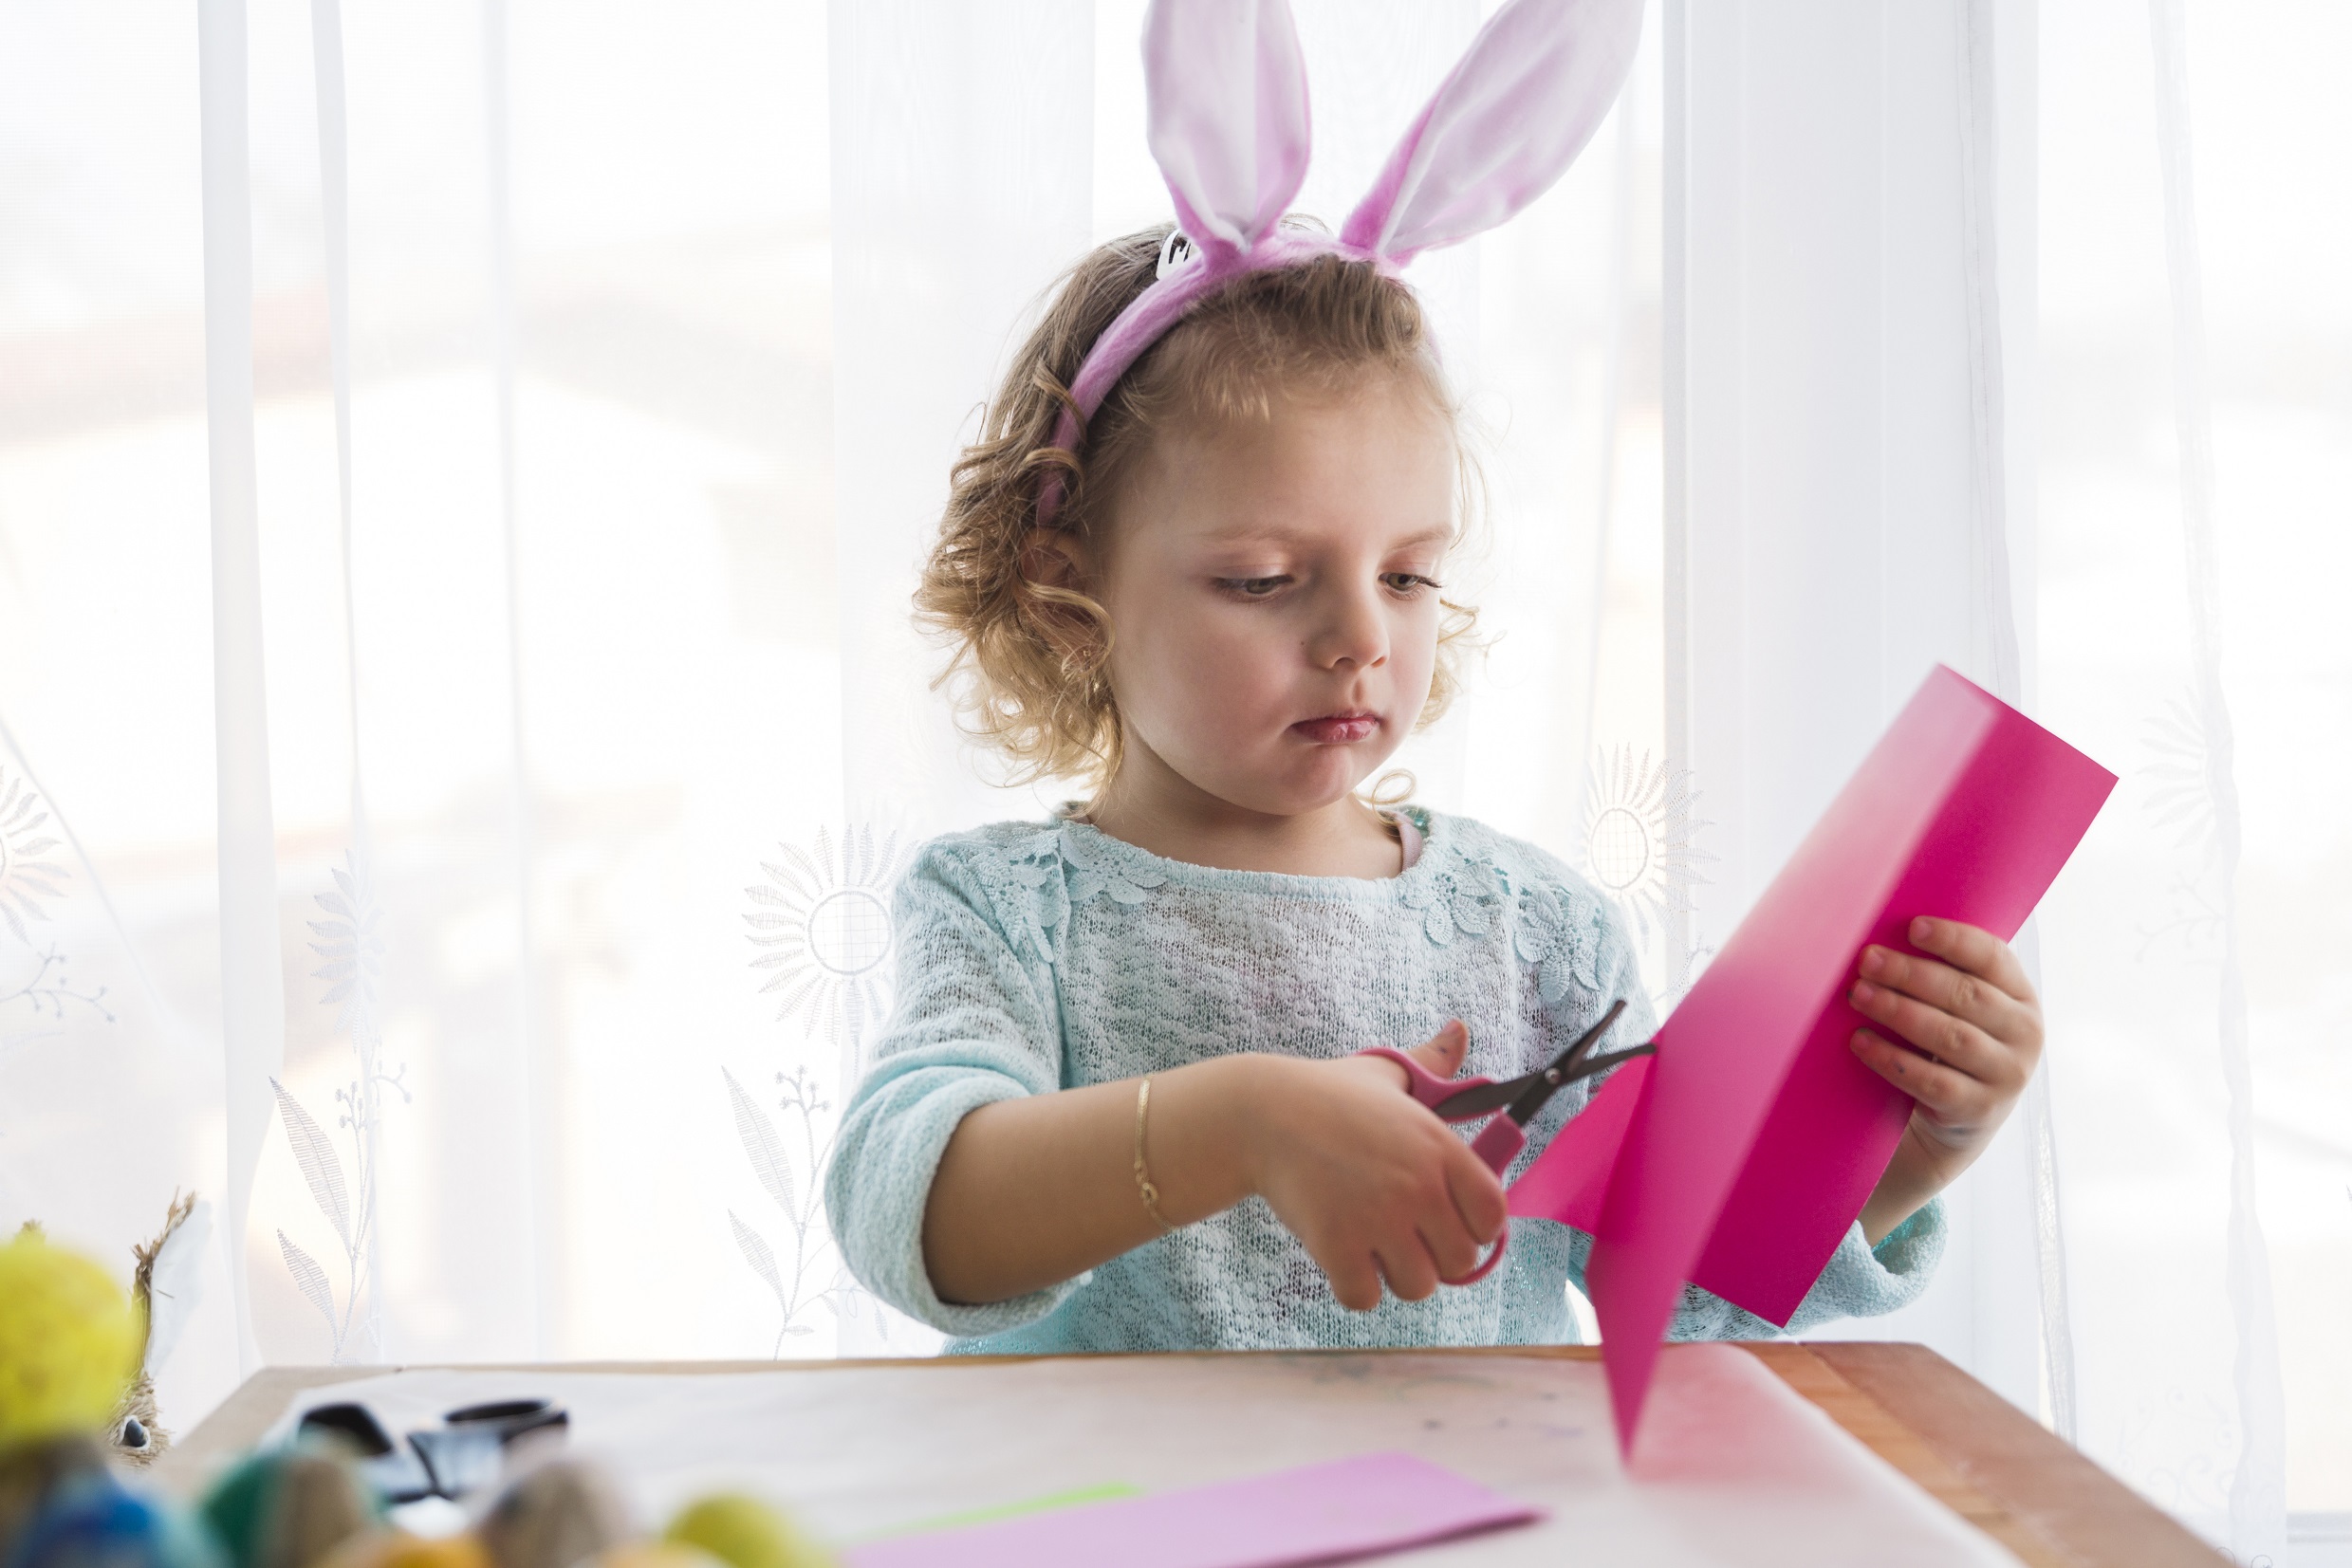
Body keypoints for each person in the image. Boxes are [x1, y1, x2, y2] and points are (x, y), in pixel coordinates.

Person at [823, 0, 2045, 1355]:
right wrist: (1242, 1122)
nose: (1362, 635)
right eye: (1262, 579)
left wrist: (1918, 1150)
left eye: (1407, 575)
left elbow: (1694, 1281)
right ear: (1067, 594)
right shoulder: (1006, 913)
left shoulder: (1533, 931)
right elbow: (908, 1211)